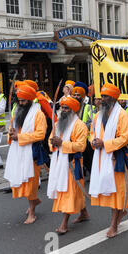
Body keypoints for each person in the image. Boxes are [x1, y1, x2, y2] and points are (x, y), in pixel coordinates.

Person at [89, 83, 128, 238]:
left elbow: (125, 137)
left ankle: (113, 225)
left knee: (116, 193)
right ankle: (119, 213)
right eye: (101, 96)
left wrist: (105, 144)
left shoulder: (122, 115)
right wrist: (93, 142)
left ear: (114, 98)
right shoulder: (97, 116)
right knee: (109, 192)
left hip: (116, 158)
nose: (102, 99)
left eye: (106, 96)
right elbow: (92, 133)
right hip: (101, 159)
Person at [4, 85, 47, 224]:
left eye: (23, 101)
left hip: (31, 153)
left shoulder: (38, 114)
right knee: (20, 181)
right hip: (17, 152)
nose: (20, 103)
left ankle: (32, 213)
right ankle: (34, 201)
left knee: (30, 183)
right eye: (19, 100)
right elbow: (13, 127)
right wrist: (11, 133)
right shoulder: (18, 110)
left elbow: (41, 134)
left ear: (29, 100)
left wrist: (20, 137)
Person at [48, 96, 90, 234]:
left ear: (73, 110)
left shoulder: (80, 126)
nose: (63, 110)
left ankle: (64, 223)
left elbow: (81, 146)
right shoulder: (57, 123)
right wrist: (52, 143)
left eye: (66, 108)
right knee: (75, 190)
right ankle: (84, 212)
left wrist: (62, 144)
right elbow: (51, 139)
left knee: (68, 191)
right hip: (58, 161)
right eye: (62, 107)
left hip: (72, 163)